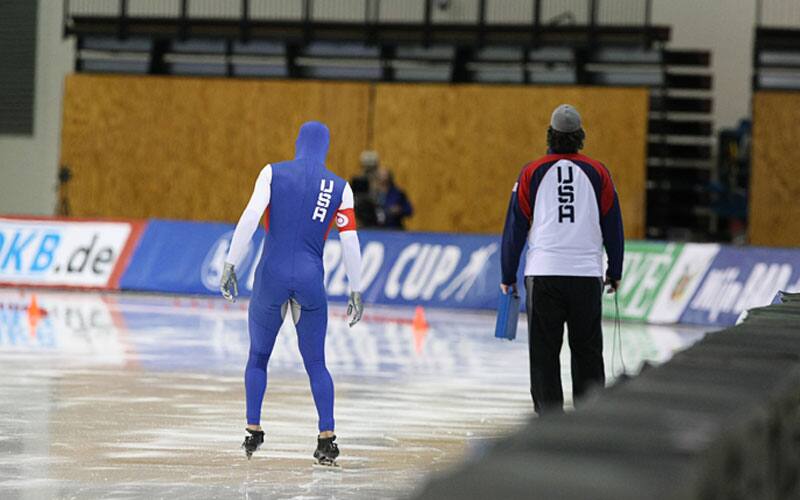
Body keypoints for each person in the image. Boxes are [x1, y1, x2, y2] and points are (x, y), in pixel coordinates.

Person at [219, 121, 364, 466]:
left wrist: (230, 263)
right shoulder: (340, 187)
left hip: (271, 276)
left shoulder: (272, 173)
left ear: (298, 142)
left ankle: (253, 428)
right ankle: (326, 437)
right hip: (311, 280)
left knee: (258, 356)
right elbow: (350, 241)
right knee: (316, 363)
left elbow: (250, 218)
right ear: (325, 146)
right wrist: (356, 288)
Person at [500, 104, 624, 414]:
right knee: (587, 353)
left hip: (544, 275)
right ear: (580, 137)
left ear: (550, 136)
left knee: (544, 354)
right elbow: (613, 225)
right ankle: (589, 418)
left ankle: (549, 422)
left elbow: (515, 228)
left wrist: (507, 274)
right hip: (586, 276)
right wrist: (615, 270)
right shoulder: (598, 173)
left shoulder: (531, 172)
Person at [351, 150, 380, 227]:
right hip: (362, 216)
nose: (369, 171)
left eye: (372, 168)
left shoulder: (382, 181)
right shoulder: (357, 181)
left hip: (379, 218)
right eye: (367, 168)